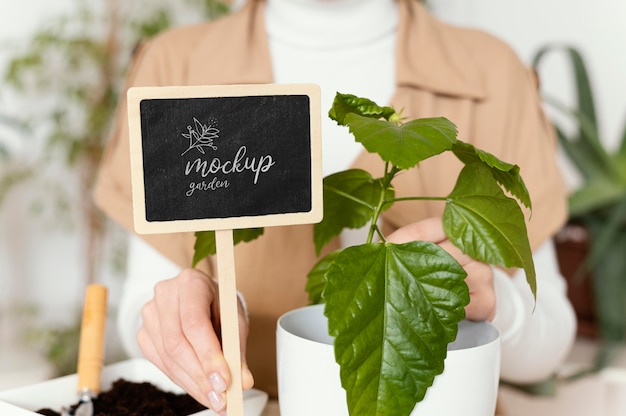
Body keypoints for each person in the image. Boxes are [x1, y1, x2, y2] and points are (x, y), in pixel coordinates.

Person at [93, 0, 577, 414]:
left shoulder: (493, 71)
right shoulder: (175, 66)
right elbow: (145, 305)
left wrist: (495, 303)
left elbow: (551, 339)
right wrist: (195, 319)